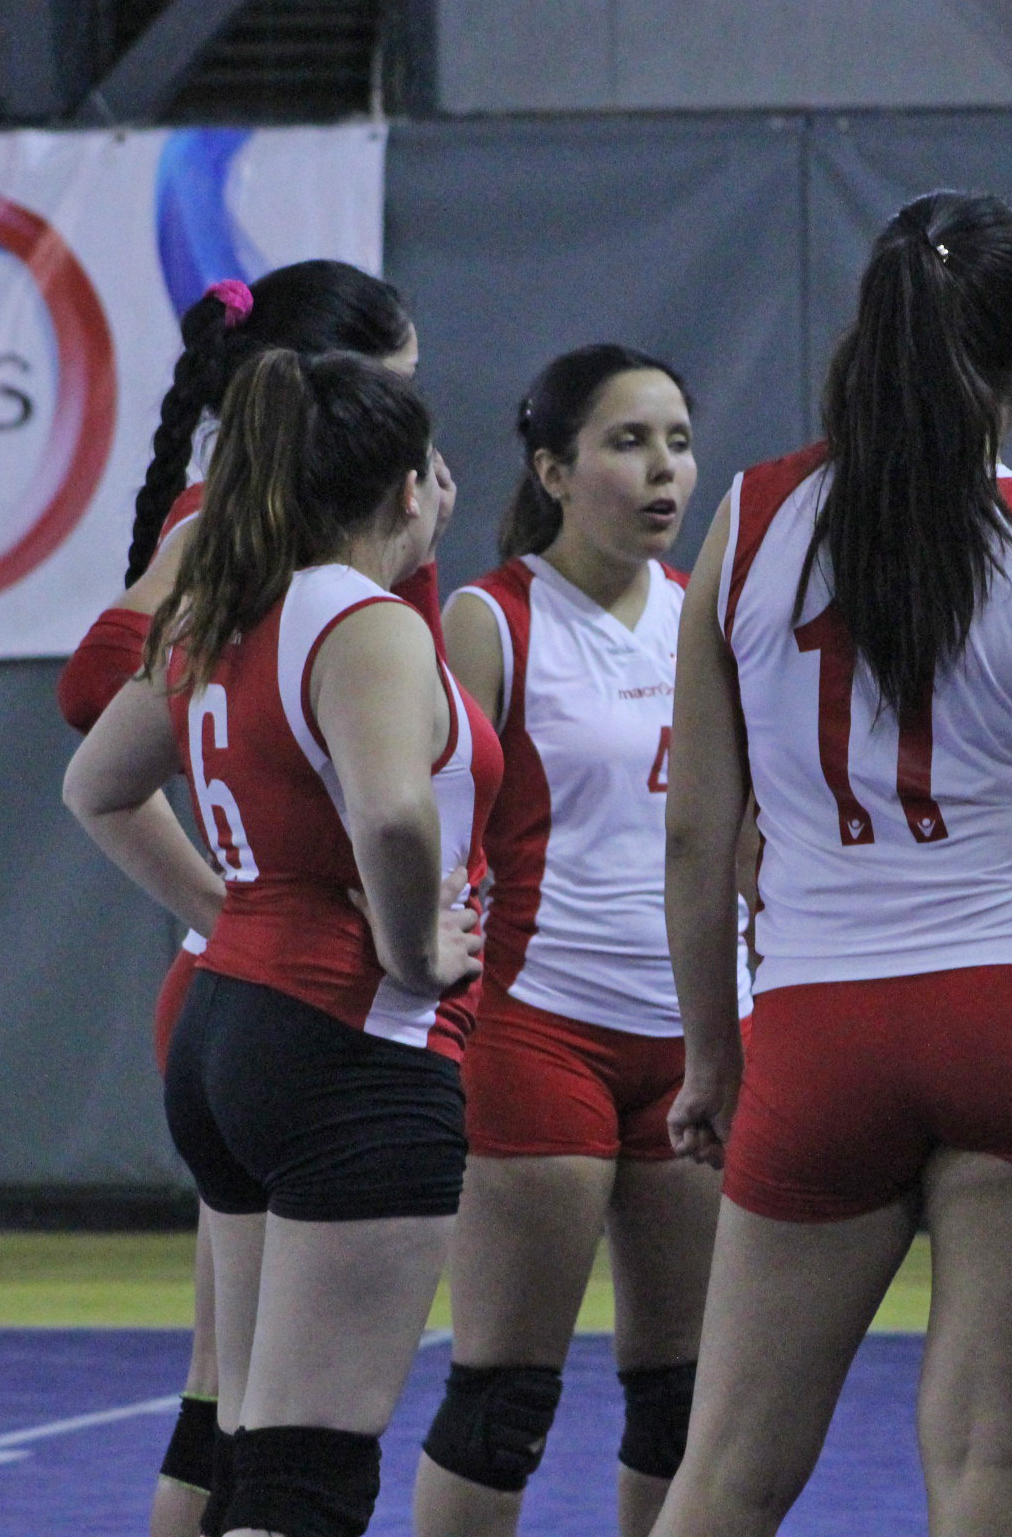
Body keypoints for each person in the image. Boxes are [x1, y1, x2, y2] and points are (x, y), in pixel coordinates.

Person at [652, 191, 1012, 1537]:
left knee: (727, 1472)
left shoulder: (751, 521)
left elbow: (694, 835)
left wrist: (710, 1055)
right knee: (987, 1461)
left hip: (823, 1021)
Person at [66, 348, 498, 1537]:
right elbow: (393, 814)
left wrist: (236, 911)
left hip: (232, 1026)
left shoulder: (228, 608)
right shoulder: (363, 620)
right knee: (308, 1475)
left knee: (252, 1447)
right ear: (409, 488)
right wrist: (414, 954)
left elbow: (96, 788)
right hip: (349, 1046)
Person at [414, 346, 731, 1537]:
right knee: (503, 1401)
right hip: (541, 1029)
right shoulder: (491, 621)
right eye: (628, 442)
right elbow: (432, 837)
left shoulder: (706, 615)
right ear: (552, 470)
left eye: (678, 443)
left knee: (683, 1400)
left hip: (694, 1038)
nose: (664, 470)